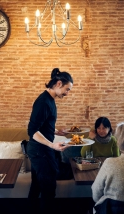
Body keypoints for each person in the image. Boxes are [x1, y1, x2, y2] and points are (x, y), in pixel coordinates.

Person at [26, 68, 73, 214]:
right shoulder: (43, 102)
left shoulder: (50, 100)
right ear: (59, 83)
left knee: (37, 186)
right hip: (40, 151)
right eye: (67, 89)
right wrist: (52, 145)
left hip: (41, 150)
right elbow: (32, 131)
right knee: (48, 189)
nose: (67, 93)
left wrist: (56, 131)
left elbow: (43, 125)